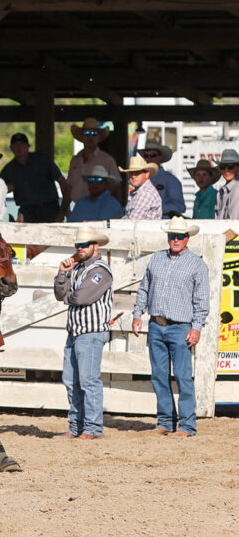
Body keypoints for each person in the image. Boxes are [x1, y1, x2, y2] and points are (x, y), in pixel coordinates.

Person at [132, 217, 209, 437]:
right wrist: (137, 314)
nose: (175, 239)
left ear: (187, 238)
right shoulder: (156, 259)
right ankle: (165, 421)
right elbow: (144, 289)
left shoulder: (196, 264)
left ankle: (187, 425)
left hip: (181, 327)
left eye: (180, 236)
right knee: (159, 375)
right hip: (156, 324)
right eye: (172, 235)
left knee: (183, 377)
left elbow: (202, 300)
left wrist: (196, 327)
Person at [53, 226, 114, 440]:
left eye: (85, 244)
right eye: (78, 244)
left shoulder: (101, 270)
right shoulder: (77, 268)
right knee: (71, 381)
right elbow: (60, 293)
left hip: (91, 331)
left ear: (95, 246)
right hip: (76, 330)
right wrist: (62, 273)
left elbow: (82, 297)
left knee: (88, 381)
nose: (80, 248)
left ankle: (93, 428)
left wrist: (68, 295)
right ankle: (76, 426)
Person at [60, 118, 121, 220]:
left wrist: (116, 213)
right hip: (77, 207)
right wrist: (63, 212)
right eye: (87, 133)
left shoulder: (107, 160)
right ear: (81, 136)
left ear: (99, 137)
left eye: (94, 133)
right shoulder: (75, 160)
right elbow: (69, 188)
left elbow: (116, 188)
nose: (90, 137)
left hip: (101, 207)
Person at [0, 133, 66, 223]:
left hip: (50, 208)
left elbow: (62, 181)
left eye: (22, 144)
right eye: (16, 145)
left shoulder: (43, 160)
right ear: (11, 148)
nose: (19, 148)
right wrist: (6, 188)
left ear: (28, 146)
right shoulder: (9, 169)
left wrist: (65, 208)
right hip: (27, 211)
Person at [137, 143, 184, 218]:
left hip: (163, 221)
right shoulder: (140, 178)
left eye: (153, 155)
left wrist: (153, 208)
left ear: (160, 157)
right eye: (146, 156)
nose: (149, 158)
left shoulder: (171, 180)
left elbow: (179, 207)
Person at [120, 156, 163, 220]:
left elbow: (133, 221)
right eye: (131, 173)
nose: (133, 176)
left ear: (147, 174)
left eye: (137, 173)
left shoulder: (145, 193)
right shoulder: (140, 192)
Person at [215, 149, 239, 220]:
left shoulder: (237, 190)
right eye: (222, 167)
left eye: (230, 166)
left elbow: (234, 222)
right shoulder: (221, 192)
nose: (226, 170)